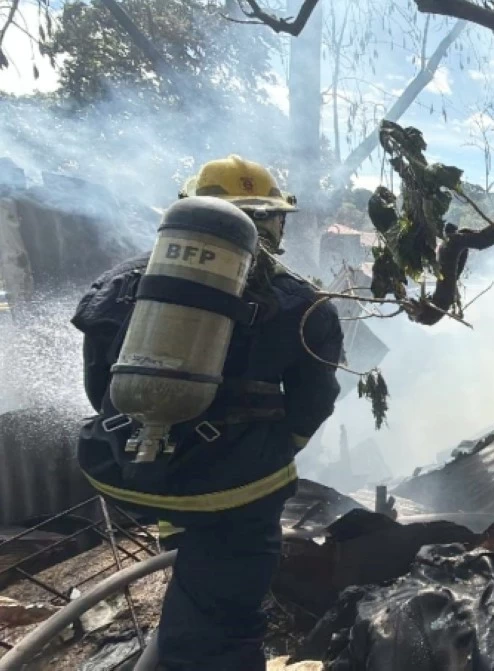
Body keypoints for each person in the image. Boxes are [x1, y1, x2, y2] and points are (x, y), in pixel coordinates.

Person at [71, 155, 343, 670]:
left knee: (197, 563)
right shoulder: (304, 302)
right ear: (270, 223)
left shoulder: (123, 281)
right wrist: (275, 451)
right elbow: (314, 403)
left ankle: (182, 543)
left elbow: (97, 383)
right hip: (233, 490)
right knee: (224, 627)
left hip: (119, 470)